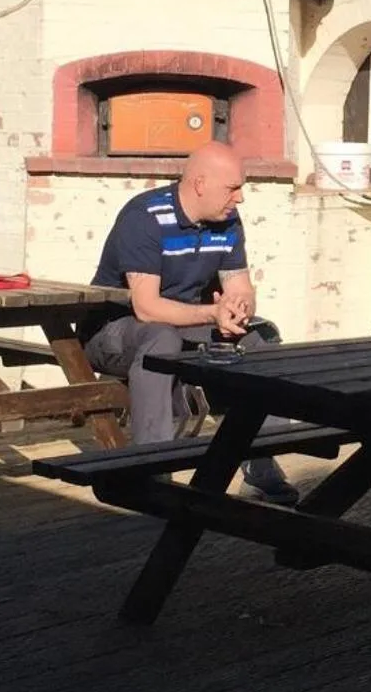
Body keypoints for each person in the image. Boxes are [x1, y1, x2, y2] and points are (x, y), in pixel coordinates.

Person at [82, 141, 301, 505]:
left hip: (182, 325)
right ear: (200, 183)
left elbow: (241, 288)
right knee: (161, 341)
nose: (240, 198)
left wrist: (237, 310)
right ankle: (150, 470)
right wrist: (213, 314)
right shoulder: (145, 217)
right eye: (233, 187)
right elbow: (147, 308)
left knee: (261, 337)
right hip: (113, 332)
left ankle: (261, 471)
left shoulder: (227, 221)